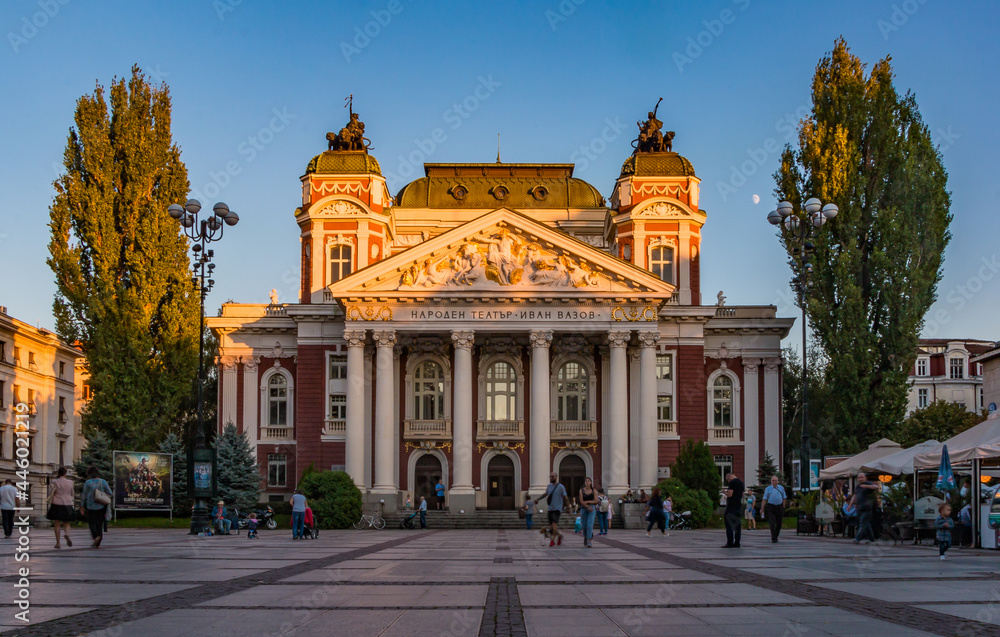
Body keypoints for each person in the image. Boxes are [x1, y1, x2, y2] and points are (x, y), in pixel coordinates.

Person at [80, 466, 112, 549]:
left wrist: (82, 505)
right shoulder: (103, 482)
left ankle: (96, 537)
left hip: (90, 506)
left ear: (89, 474)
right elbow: (110, 492)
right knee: (99, 524)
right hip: (101, 505)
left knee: (91, 524)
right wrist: (103, 495)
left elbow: (84, 494)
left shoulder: (88, 483)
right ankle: (98, 543)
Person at [534, 471, 567, 547]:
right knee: (551, 527)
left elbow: (565, 497)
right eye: (550, 477)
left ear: (556, 477)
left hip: (557, 509)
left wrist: (568, 506)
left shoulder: (561, 487)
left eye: (552, 476)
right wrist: (537, 499)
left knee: (554, 526)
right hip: (550, 509)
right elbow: (545, 494)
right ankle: (559, 536)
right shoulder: (549, 486)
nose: (551, 478)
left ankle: (552, 541)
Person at [47, 467, 76, 549]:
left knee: (57, 523)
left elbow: (51, 492)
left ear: (58, 473)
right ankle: (66, 534)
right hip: (68, 503)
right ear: (65, 473)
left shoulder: (54, 482)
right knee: (67, 522)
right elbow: (72, 493)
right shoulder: (70, 482)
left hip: (57, 503)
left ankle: (58, 543)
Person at [851, 472, 880, 545]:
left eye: (862, 477)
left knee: (863, 524)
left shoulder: (869, 484)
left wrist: (866, 486)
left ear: (865, 478)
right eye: (859, 477)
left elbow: (876, 487)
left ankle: (857, 539)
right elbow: (854, 495)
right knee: (866, 524)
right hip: (859, 508)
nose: (860, 479)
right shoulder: (857, 486)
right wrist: (850, 504)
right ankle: (872, 539)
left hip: (867, 508)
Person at [762, 475, 787, 543]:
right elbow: (764, 499)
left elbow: (784, 497)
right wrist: (762, 508)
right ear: (771, 481)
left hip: (779, 506)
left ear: (778, 481)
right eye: (773, 481)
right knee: (772, 522)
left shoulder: (781, 488)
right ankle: (773, 537)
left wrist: (783, 506)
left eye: (775, 481)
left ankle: (776, 534)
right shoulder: (768, 489)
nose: (774, 482)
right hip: (771, 506)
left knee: (779, 523)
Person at [722, 472, 744, 548]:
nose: (728, 482)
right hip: (738, 506)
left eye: (727, 480)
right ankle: (737, 542)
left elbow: (730, 494)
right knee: (737, 525)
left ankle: (730, 542)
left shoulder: (732, 482)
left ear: (729, 477)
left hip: (731, 507)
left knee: (729, 525)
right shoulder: (741, 483)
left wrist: (725, 493)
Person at [578, 477, 598, 548]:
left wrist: (588, 502)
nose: (587, 482)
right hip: (584, 509)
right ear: (584, 483)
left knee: (589, 525)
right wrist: (587, 506)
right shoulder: (581, 491)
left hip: (591, 509)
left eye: (588, 481)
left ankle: (589, 540)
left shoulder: (594, 490)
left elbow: (596, 501)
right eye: (586, 481)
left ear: (591, 482)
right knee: (584, 526)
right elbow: (581, 501)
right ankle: (586, 537)